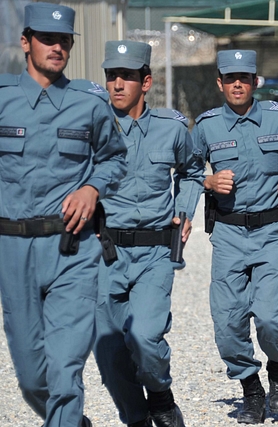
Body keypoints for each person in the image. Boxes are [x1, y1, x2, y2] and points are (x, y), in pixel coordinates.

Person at [0, 3, 127, 427]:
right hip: (12, 249)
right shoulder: (1, 100)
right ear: (25, 42)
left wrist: (93, 188)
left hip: (71, 250)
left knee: (65, 371)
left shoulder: (88, 103)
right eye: (47, 39)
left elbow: (114, 159)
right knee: (33, 377)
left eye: (65, 41)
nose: (57, 47)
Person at [191, 49, 278, 424]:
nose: (237, 84)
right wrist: (207, 181)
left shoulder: (277, 118)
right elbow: (187, 169)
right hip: (228, 233)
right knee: (227, 324)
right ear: (220, 83)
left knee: (271, 319)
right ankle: (251, 389)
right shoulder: (206, 126)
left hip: (273, 230)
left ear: (255, 82)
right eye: (230, 78)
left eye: (244, 77)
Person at [93, 40, 204, 427]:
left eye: (126, 76)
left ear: (146, 82)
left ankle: (160, 395)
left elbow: (192, 170)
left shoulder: (171, 128)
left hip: (155, 253)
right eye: (111, 76)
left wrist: (184, 211)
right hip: (104, 254)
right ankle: (137, 419)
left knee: (144, 337)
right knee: (110, 358)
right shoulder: (91, 130)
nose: (117, 84)